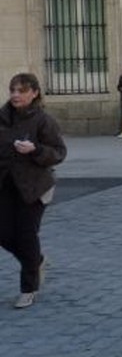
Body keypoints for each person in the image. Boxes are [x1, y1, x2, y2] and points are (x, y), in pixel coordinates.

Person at [0, 72, 67, 309]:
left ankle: (29, 288)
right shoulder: (2, 117)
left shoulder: (43, 120)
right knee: (4, 234)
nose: (16, 95)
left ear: (34, 93)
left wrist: (35, 149)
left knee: (26, 236)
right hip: (6, 184)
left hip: (34, 186)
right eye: (13, 90)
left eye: (22, 90)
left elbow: (59, 152)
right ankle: (36, 261)